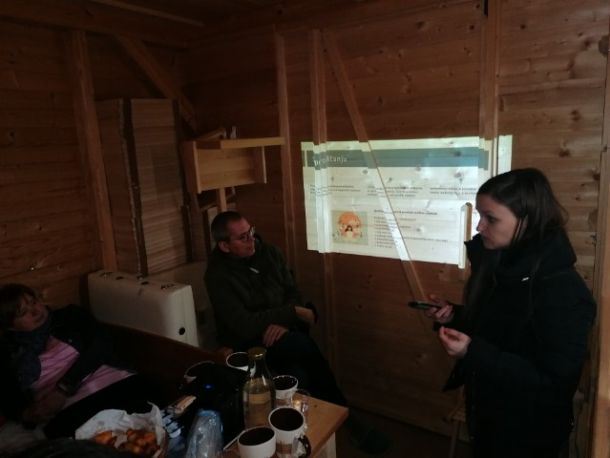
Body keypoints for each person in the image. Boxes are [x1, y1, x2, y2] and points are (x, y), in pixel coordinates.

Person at [423, 168, 596, 458]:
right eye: (480, 215)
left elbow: (554, 383)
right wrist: (454, 316)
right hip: (489, 417)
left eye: (490, 218)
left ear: (526, 220)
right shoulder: (502, 266)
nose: (479, 227)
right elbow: (500, 326)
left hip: (528, 433)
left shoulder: (563, 291)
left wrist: (472, 352)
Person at [205, 210, 392, 455]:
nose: (252, 239)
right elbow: (243, 324)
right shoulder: (217, 275)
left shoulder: (269, 253)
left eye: (251, 231)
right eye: (243, 237)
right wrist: (291, 313)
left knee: (300, 373)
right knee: (302, 346)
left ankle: (309, 439)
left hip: (282, 335)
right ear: (224, 246)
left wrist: (285, 322)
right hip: (247, 344)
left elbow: (293, 293)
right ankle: (348, 420)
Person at [0, 284, 153, 439]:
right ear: (10, 327)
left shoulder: (69, 317)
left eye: (33, 302)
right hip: (66, 411)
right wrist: (28, 414)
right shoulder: (8, 353)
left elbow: (101, 345)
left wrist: (63, 389)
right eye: (23, 313)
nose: (35, 311)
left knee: (140, 425)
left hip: (112, 384)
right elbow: (7, 395)